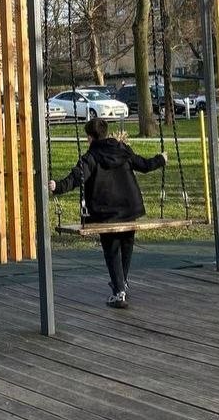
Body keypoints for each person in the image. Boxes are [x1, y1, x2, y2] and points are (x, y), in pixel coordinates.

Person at [48, 117, 166, 309]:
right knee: (126, 243)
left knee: (112, 249)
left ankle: (119, 292)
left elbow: (77, 178)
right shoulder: (123, 150)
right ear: (106, 132)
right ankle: (122, 283)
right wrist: (161, 159)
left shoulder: (91, 157)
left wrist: (57, 186)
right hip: (129, 208)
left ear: (90, 137)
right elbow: (144, 165)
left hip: (105, 212)